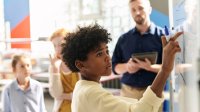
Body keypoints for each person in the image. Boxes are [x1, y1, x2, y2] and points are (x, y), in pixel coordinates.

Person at [61, 23, 183, 112]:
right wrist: (165, 69)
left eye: (106, 51)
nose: (107, 57)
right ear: (80, 64)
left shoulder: (82, 86)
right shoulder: (91, 93)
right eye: (99, 54)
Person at [112, 0, 164, 102]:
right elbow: (115, 67)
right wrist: (127, 66)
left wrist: (150, 67)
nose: (137, 13)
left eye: (141, 8)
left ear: (149, 9)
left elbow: (169, 67)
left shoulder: (163, 37)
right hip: (128, 94)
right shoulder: (123, 39)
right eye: (133, 10)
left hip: (153, 92)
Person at [48, 28, 80, 112]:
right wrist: (54, 69)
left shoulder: (80, 64)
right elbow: (56, 94)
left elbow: (84, 94)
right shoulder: (54, 66)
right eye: (54, 45)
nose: (57, 49)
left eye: (61, 44)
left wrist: (67, 96)